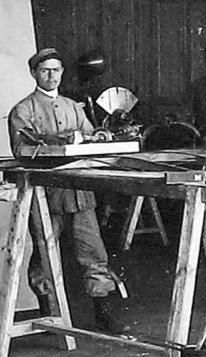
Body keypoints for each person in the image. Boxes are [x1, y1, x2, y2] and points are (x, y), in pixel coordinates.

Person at [8, 48, 134, 337]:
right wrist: (55, 142)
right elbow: (20, 149)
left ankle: (103, 313)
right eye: (44, 70)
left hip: (79, 194)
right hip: (45, 194)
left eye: (56, 70)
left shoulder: (73, 107)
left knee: (93, 252)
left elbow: (90, 139)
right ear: (34, 74)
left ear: (62, 73)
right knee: (44, 253)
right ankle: (49, 313)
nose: (51, 76)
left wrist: (101, 137)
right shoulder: (23, 110)